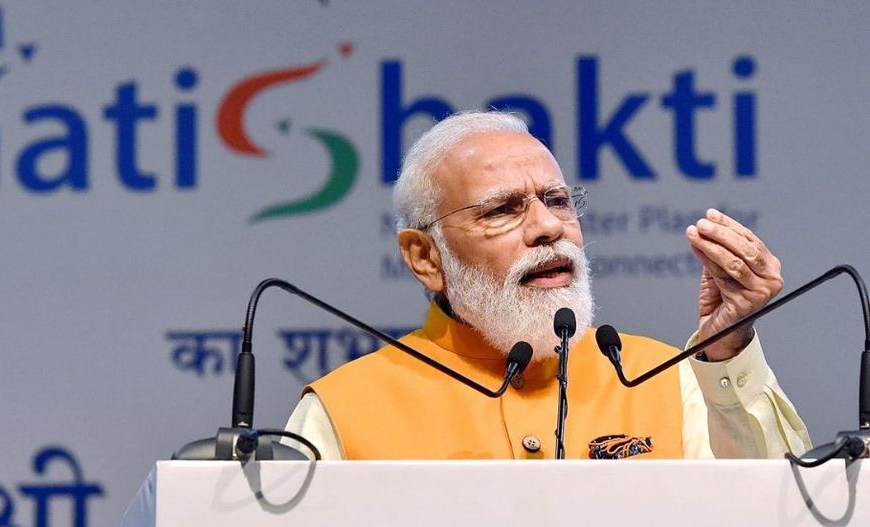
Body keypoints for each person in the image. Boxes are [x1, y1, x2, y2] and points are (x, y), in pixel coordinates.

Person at [285, 111, 810, 460]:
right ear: (425, 257)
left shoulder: (664, 379)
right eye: (503, 209)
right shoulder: (343, 411)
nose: (548, 227)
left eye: (556, 200)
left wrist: (726, 351)